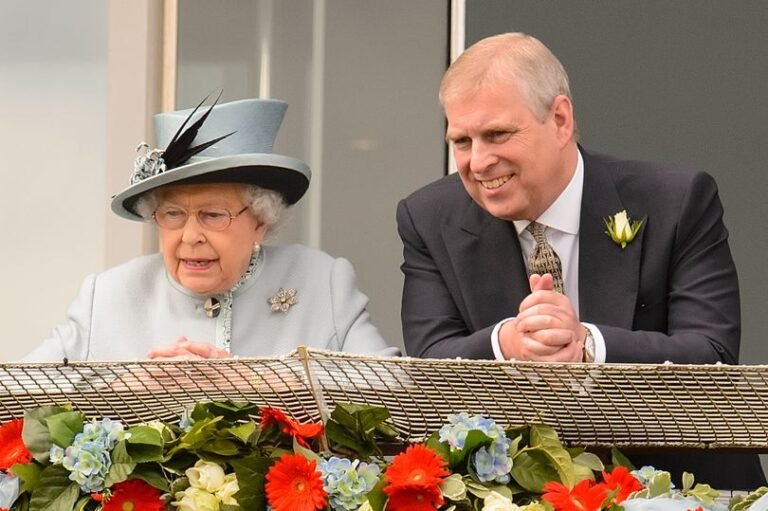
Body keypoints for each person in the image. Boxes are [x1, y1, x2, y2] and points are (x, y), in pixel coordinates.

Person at [396, 33, 763, 489]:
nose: (478, 161)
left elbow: (714, 359)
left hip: (684, 488)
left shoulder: (676, 201)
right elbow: (428, 368)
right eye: (462, 141)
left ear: (561, 119)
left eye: (497, 134)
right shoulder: (428, 217)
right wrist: (507, 343)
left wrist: (587, 345)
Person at [23, 96, 398, 361]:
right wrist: (129, 386)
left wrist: (255, 382)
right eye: (172, 215)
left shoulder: (321, 281)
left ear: (261, 223)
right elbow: (16, 393)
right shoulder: (107, 295)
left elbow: (393, 389)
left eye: (213, 215)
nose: (190, 237)